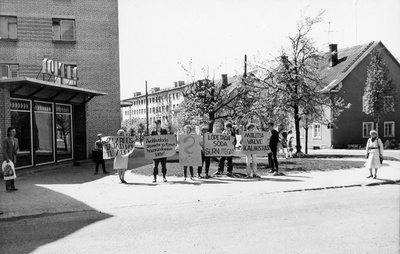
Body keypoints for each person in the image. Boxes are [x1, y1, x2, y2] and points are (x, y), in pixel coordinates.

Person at [2, 127, 19, 191]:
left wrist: (17, 151)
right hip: (8, 159)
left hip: (14, 158)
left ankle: (12, 186)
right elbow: (4, 150)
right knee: (8, 172)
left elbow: (17, 148)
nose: (14, 133)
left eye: (14, 131)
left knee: (13, 172)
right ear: (9, 132)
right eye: (12, 131)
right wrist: (7, 159)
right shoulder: (6, 139)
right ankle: (8, 187)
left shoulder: (16, 139)